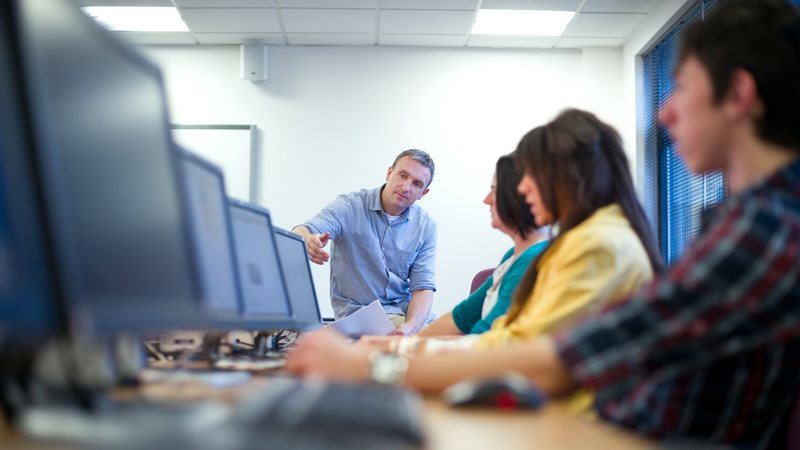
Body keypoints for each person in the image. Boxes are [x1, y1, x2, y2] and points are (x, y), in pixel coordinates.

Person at [288, 1, 800, 447]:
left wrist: (376, 365)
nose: (665, 113)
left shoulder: (761, 230)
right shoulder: (745, 222)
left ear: (737, 94)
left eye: (682, 86)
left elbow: (556, 361)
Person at [288, 108, 662, 411]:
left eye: (529, 176)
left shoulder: (597, 244)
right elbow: (503, 340)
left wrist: (378, 364)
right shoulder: (589, 238)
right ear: (389, 173)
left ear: (566, 174)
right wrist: (395, 352)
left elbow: (525, 359)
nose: (523, 188)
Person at [293, 149, 437, 336]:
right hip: (359, 315)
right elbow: (303, 230)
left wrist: (410, 327)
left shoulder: (426, 226)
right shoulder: (350, 206)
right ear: (389, 172)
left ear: (423, 193)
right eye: (403, 175)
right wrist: (308, 240)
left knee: (452, 337)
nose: (406, 187)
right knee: (431, 344)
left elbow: (423, 287)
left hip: (403, 313)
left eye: (416, 184)